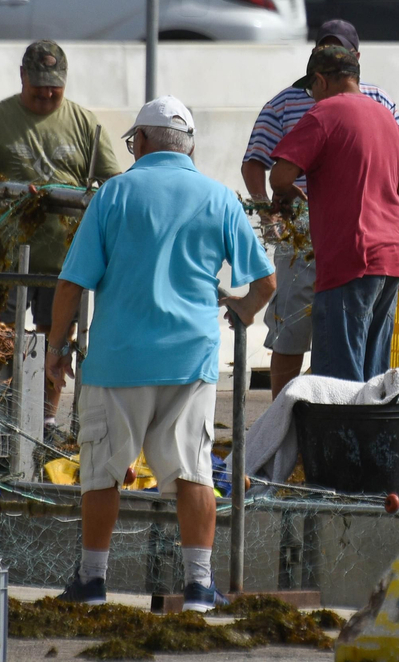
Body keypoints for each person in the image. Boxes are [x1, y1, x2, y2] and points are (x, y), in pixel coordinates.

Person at [47, 96, 276, 609]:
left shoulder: (113, 194)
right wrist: (241, 310)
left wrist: (57, 349)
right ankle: (198, 586)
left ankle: (92, 582)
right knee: (192, 470)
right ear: (189, 146)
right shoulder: (219, 198)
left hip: (118, 359)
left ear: (143, 141)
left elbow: (71, 283)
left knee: (103, 471)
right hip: (189, 361)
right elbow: (265, 282)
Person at [0, 40, 122, 427]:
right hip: (3, 257)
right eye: (38, 84)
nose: (46, 93)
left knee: (55, 339)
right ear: (22, 76)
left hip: (64, 262)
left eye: (54, 86)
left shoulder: (85, 124)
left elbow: (113, 182)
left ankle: (45, 422)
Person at [240, 20, 399, 397]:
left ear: (320, 79)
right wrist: (373, 215)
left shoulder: (324, 112)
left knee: (339, 378)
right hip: (387, 256)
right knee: (367, 371)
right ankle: (347, 428)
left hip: (344, 252)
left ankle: (318, 432)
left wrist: (338, 214)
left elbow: (280, 176)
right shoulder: (383, 114)